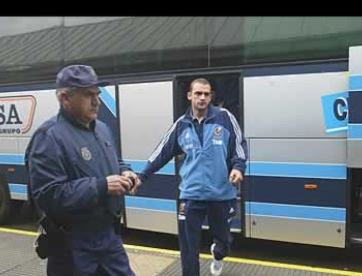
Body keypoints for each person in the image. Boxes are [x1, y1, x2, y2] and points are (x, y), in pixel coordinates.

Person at [25, 65, 138, 276]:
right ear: (65, 98)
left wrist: (126, 172)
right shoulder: (49, 137)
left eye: (97, 94)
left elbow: (115, 161)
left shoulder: (101, 128)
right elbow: (48, 195)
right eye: (88, 95)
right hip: (73, 248)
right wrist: (101, 186)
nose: (97, 101)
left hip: (108, 239)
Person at [132, 78, 248, 276]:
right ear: (189, 96)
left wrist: (238, 167)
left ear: (211, 96)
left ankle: (218, 253)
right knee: (188, 248)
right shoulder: (181, 125)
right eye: (198, 94)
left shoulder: (225, 118)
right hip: (190, 195)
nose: (202, 98)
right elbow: (161, 153)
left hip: (221, 194)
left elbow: (240, 146)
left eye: (206, 94)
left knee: (224, 240)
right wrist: (141, 176)